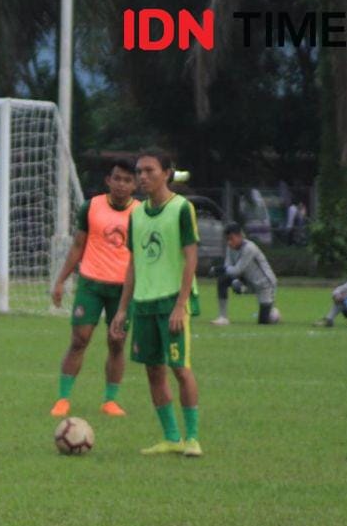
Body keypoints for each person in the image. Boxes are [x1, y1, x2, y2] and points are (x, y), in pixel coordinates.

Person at [110, 149, 203, 457]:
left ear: (166, 173)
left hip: (170, 303)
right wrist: (123, 309)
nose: (142, 177)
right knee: (153, 371)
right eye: (140, 171)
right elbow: (133, 264)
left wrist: (181, 303)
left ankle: (192, 438)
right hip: (144, 304)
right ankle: (171, 437)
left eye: (149, 171)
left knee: (180, 368)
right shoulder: (135, 214)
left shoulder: (181, 209)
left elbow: (191, 258)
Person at [50, 158, 140, 418]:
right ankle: (63, 399)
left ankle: (110, 401)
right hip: (90, 284)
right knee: (79, 340)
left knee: (116, 342)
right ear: (108, 181)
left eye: (127, 180)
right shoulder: (91, 207)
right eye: (117, 179)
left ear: (134, 185)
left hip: (124, 289)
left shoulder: (141, 213)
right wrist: (60, 280)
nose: (121, 185)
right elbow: (78, 246)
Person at [209, 223, 279, 325]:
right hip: (248, 281)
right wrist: (233, 280)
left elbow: (237, 270)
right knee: (222, 279)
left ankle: (274, 313)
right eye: (227, 239)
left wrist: (217, 269)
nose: (229, 242)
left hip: (264, 285)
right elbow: (228, 267)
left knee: (264, 322)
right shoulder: (230, 247)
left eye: (231, 239)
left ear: (239, 236)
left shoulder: (249, 248)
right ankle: (223, 317)